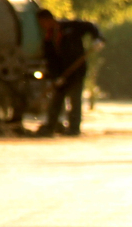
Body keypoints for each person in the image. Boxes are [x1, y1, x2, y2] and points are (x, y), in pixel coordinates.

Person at [35, 8, 104, 137]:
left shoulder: (71, 26)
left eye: (43, 22)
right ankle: (50, 127)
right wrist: (56, 76)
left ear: (49, 19)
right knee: (56, 100)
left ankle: (74, 129)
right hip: (61, 74)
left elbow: (91, 26)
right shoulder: (48, 38)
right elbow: (50, 60)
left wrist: (98, 38)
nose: (43, 25)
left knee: (75, 100)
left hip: (77, 71)